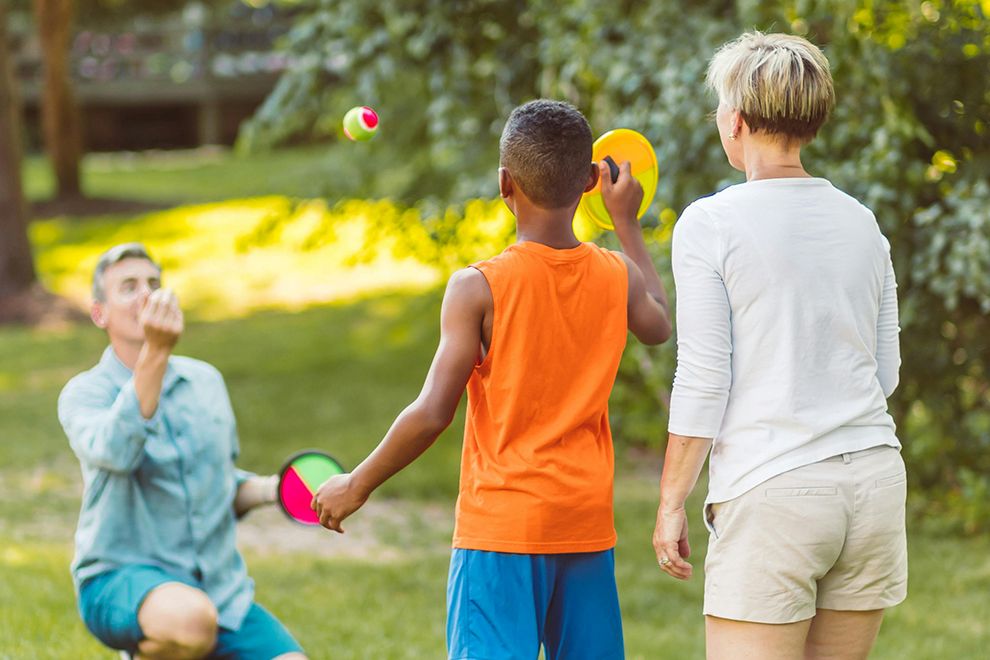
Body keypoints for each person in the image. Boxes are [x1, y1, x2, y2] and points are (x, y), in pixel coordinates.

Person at [312, 99, 672, 659]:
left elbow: (433, 411)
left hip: (503, 529)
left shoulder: (478, 287)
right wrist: (625, 222)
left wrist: (357, 483)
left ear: (505, 183)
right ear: (588, 182)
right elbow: (658, 325)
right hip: (582, 522)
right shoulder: (616, 274)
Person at [652, 32, 907, 660]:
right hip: (874, 485)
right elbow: (885, 372)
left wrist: (671, 502)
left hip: (775, 493)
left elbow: (704, 379)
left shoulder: (710, 223)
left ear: (736, 120)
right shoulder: (862, 221)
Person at [58, 243, 306, 660]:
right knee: (191, 621)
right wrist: (156, 352)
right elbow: (118, 453)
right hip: (119, 578)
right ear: (100, 313)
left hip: (220, 595)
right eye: (128, 287)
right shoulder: (84, 394)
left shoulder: (205, 382)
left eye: (153, 284)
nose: (146, 295)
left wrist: (277, 489)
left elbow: (217, 485)